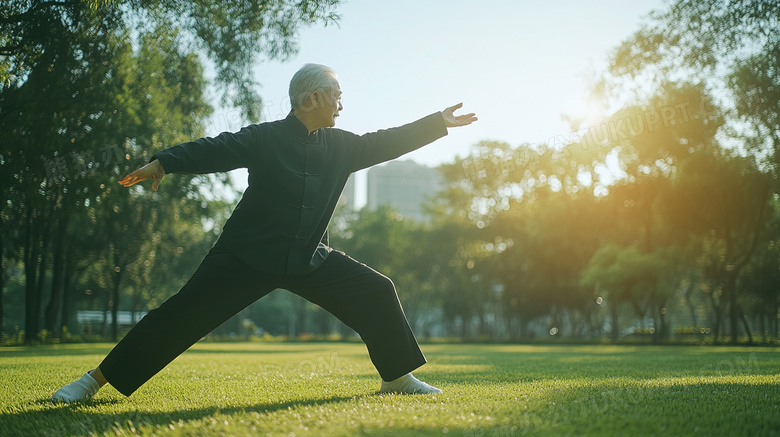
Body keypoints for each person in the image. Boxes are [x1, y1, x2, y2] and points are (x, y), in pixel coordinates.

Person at [52, 63, 477, 403]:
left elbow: (388, 141)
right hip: (246, 256)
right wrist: (163, 162)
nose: (341, 105)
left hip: (308, 258)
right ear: (313, 98)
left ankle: (397, 379)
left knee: (376, 289)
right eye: (337, 96)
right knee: (178, 317)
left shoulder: (343, 145)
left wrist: (436, 122)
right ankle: (92, 382)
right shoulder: (266, 137)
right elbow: (216, 147)